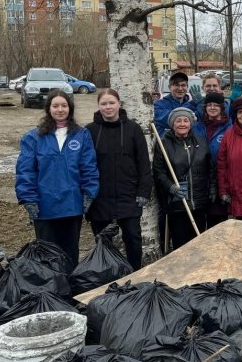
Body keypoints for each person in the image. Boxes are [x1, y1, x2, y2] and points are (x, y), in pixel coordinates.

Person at [15, 90, 99, 267]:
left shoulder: (81, 135)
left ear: (70, 108)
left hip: (72, 205)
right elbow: (25, 171)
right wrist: (28, 199)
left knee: (70, 253)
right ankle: (52, 290)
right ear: (48, 109)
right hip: (44, 207)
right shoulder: (34, 137)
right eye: (55, 106)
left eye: (64, 105)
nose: (60, 109)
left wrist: (89, 193)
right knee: (47, 255)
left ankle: (70, 290)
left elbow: (89, 167)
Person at [85, 89, 152, 270]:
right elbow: (83, 165)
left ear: (119, 104)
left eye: (112, 103)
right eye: (104, 104)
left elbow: (144, 163)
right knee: (102, 241)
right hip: (100, 198)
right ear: (98, 106)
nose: (108, 107)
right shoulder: (90, 131)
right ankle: (107, 276)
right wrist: (86, 195)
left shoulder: (133, 129)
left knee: (133, 238)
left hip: (128, 196)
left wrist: (143, 191)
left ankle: (134, 274)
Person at [153, 107, 213, 249]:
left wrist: (212, 188)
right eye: (178, 121)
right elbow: (158, 171)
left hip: (199, 201)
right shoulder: (164, 143)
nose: (182, 124)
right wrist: (170, 187)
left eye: (186, 120)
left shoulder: (200, 141)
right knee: (180, 242)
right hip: (177, 203)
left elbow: (210, 168)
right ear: (172, 124)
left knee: (198, 241)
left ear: (191, 123)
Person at [193, 91, 232, 228]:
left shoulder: (229, 127)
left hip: (221, 176)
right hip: (201, 177)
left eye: (216, 105)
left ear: (222, 107)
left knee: (218, 218)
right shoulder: (197, 127)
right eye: (209, 105)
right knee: (200, 216)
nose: (212, 107)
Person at [154, 71, 200, 136]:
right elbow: (173, 119)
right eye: (176, 85)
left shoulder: (193, 104)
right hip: (165, 144)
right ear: (169, 87)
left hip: (187, 144)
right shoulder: (159, 105)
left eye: (183, 85)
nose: (180, 88)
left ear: (187, 87)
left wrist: (201, 103)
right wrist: (192, 104)